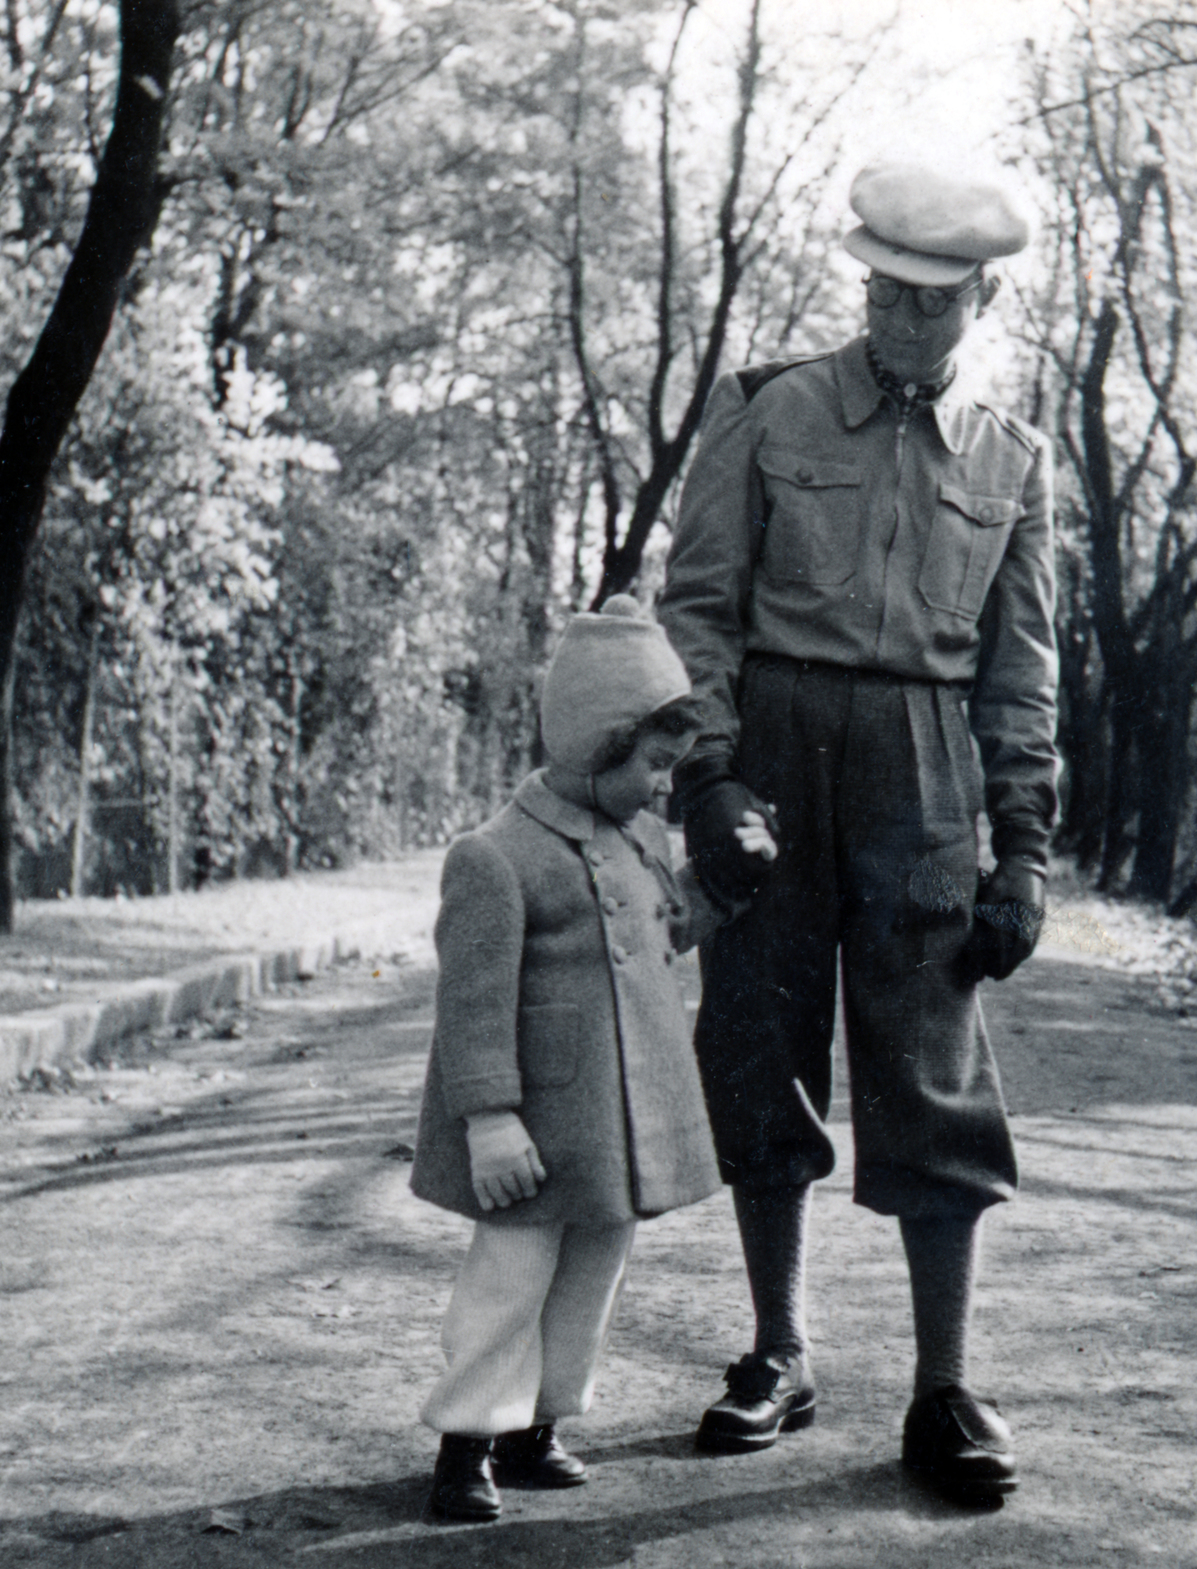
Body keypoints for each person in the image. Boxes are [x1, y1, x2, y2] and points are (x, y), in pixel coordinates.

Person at [656, 160, 1059, 1503]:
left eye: (932, 301)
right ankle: (778, 1349)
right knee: (758, 1049)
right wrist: (707, 777)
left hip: (927, 773)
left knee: (931, 1072)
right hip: (772, 749)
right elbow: (699, 604)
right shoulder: (769, 413)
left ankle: (943, 1385)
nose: (901, 317)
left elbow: (1021, 672)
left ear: (982, 298)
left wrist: (1024, 849)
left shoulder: (1013, 458)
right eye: (885, 289)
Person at [408, 594, 775, 1522]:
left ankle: (539, 1423)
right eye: (654, 763)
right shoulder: (495, 857)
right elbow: (472, 1005)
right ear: (599, 743)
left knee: (592, 1276)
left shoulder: (643, 839)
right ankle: (466, 1442)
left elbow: (669, 929)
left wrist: (730, 877)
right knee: (509, 1279)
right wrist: (489, 1119)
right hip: (533, 1129)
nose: (665, 786)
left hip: (623, 1126)